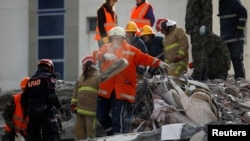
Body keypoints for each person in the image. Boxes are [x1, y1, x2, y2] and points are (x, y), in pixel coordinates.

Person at [93, 26, 170, 135]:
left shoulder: (131, 50)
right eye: (114, 38)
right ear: (111, 39)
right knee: (101, 115)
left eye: (118, 38)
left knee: (117, 118)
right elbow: (95, 55)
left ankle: (117, 137)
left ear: (123, 38)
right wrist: (104, 55)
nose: (116, 40)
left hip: (122, 89)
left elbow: (144, 57)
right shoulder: (106, 48)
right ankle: (111, 134)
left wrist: (158, 63)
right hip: (106, 89)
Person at [21, 59, 64, 141]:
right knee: (52, 133)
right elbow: (52, 96)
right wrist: (59, 107)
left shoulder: (30, 80)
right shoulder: (48, 77)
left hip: (32, 113)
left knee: (33, 136)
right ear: (50, 67)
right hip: (45, 110)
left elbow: (23, 99)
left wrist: (27, 112)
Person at [70, 55, 100, 140]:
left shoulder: (98, 77)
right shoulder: (81, 78)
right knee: (79, 133)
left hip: (91, 112)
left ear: (89, 66)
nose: (82, 68)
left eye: (83, 66)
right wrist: (73, 104)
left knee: (90, 134)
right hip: (79, 111)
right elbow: (75, 92)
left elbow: (102, 94)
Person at [218, 0, 248, 81]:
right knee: (224, 61)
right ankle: (223, 79)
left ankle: (240, 81)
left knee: (236, 59)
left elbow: (243, 12)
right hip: (226, 39)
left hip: (235, 38)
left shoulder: (233, 2)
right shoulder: (222, 4)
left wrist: (239, 28)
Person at [185, 0, 213, 81]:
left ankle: (197, 75)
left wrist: (205, 24)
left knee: (197, 51)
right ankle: (203, 75)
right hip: (194, 27)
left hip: (199, 28)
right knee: (201, 51)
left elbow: (207, 10)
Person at [2, 77, 30, 141]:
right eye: (24, 89)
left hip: (24, 132)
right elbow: (6, 114)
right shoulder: (15, 99)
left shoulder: (34, 102)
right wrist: (12, 127)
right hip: (11, 131)